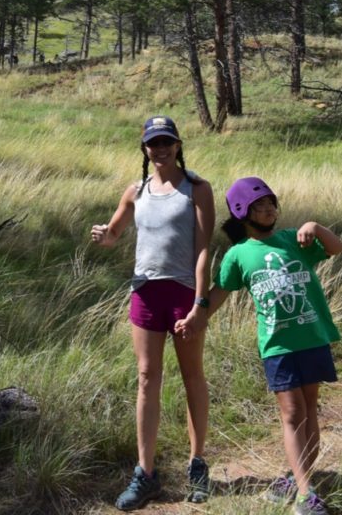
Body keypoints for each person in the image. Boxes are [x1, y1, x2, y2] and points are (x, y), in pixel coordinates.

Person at [175, 176, 342, 515]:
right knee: (292, 413)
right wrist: (196, 316)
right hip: (277, 345)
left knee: (311, 410)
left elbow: (336, 247)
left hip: (312, 338)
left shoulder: (293, 239)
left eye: (271, 203)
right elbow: (219, 293)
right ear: (241, 212)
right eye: (259, 206)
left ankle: (299, 482)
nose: (269, 210)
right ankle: (304, 494)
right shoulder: (239, 255)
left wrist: (314, 225)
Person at [91, 115, 215, 510]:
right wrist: (104, 236)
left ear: (178, 145)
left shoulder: (197, 189)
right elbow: (114, 236)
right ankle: (145, 474)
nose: (159, 149)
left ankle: (197, 466)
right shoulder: (136, 191)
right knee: (147, 377)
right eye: (152, 143)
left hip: (183, 292)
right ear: (144, 148)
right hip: (145, 292)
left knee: (192, 375)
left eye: (166, 142)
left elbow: (203, 249)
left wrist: (199, 304)